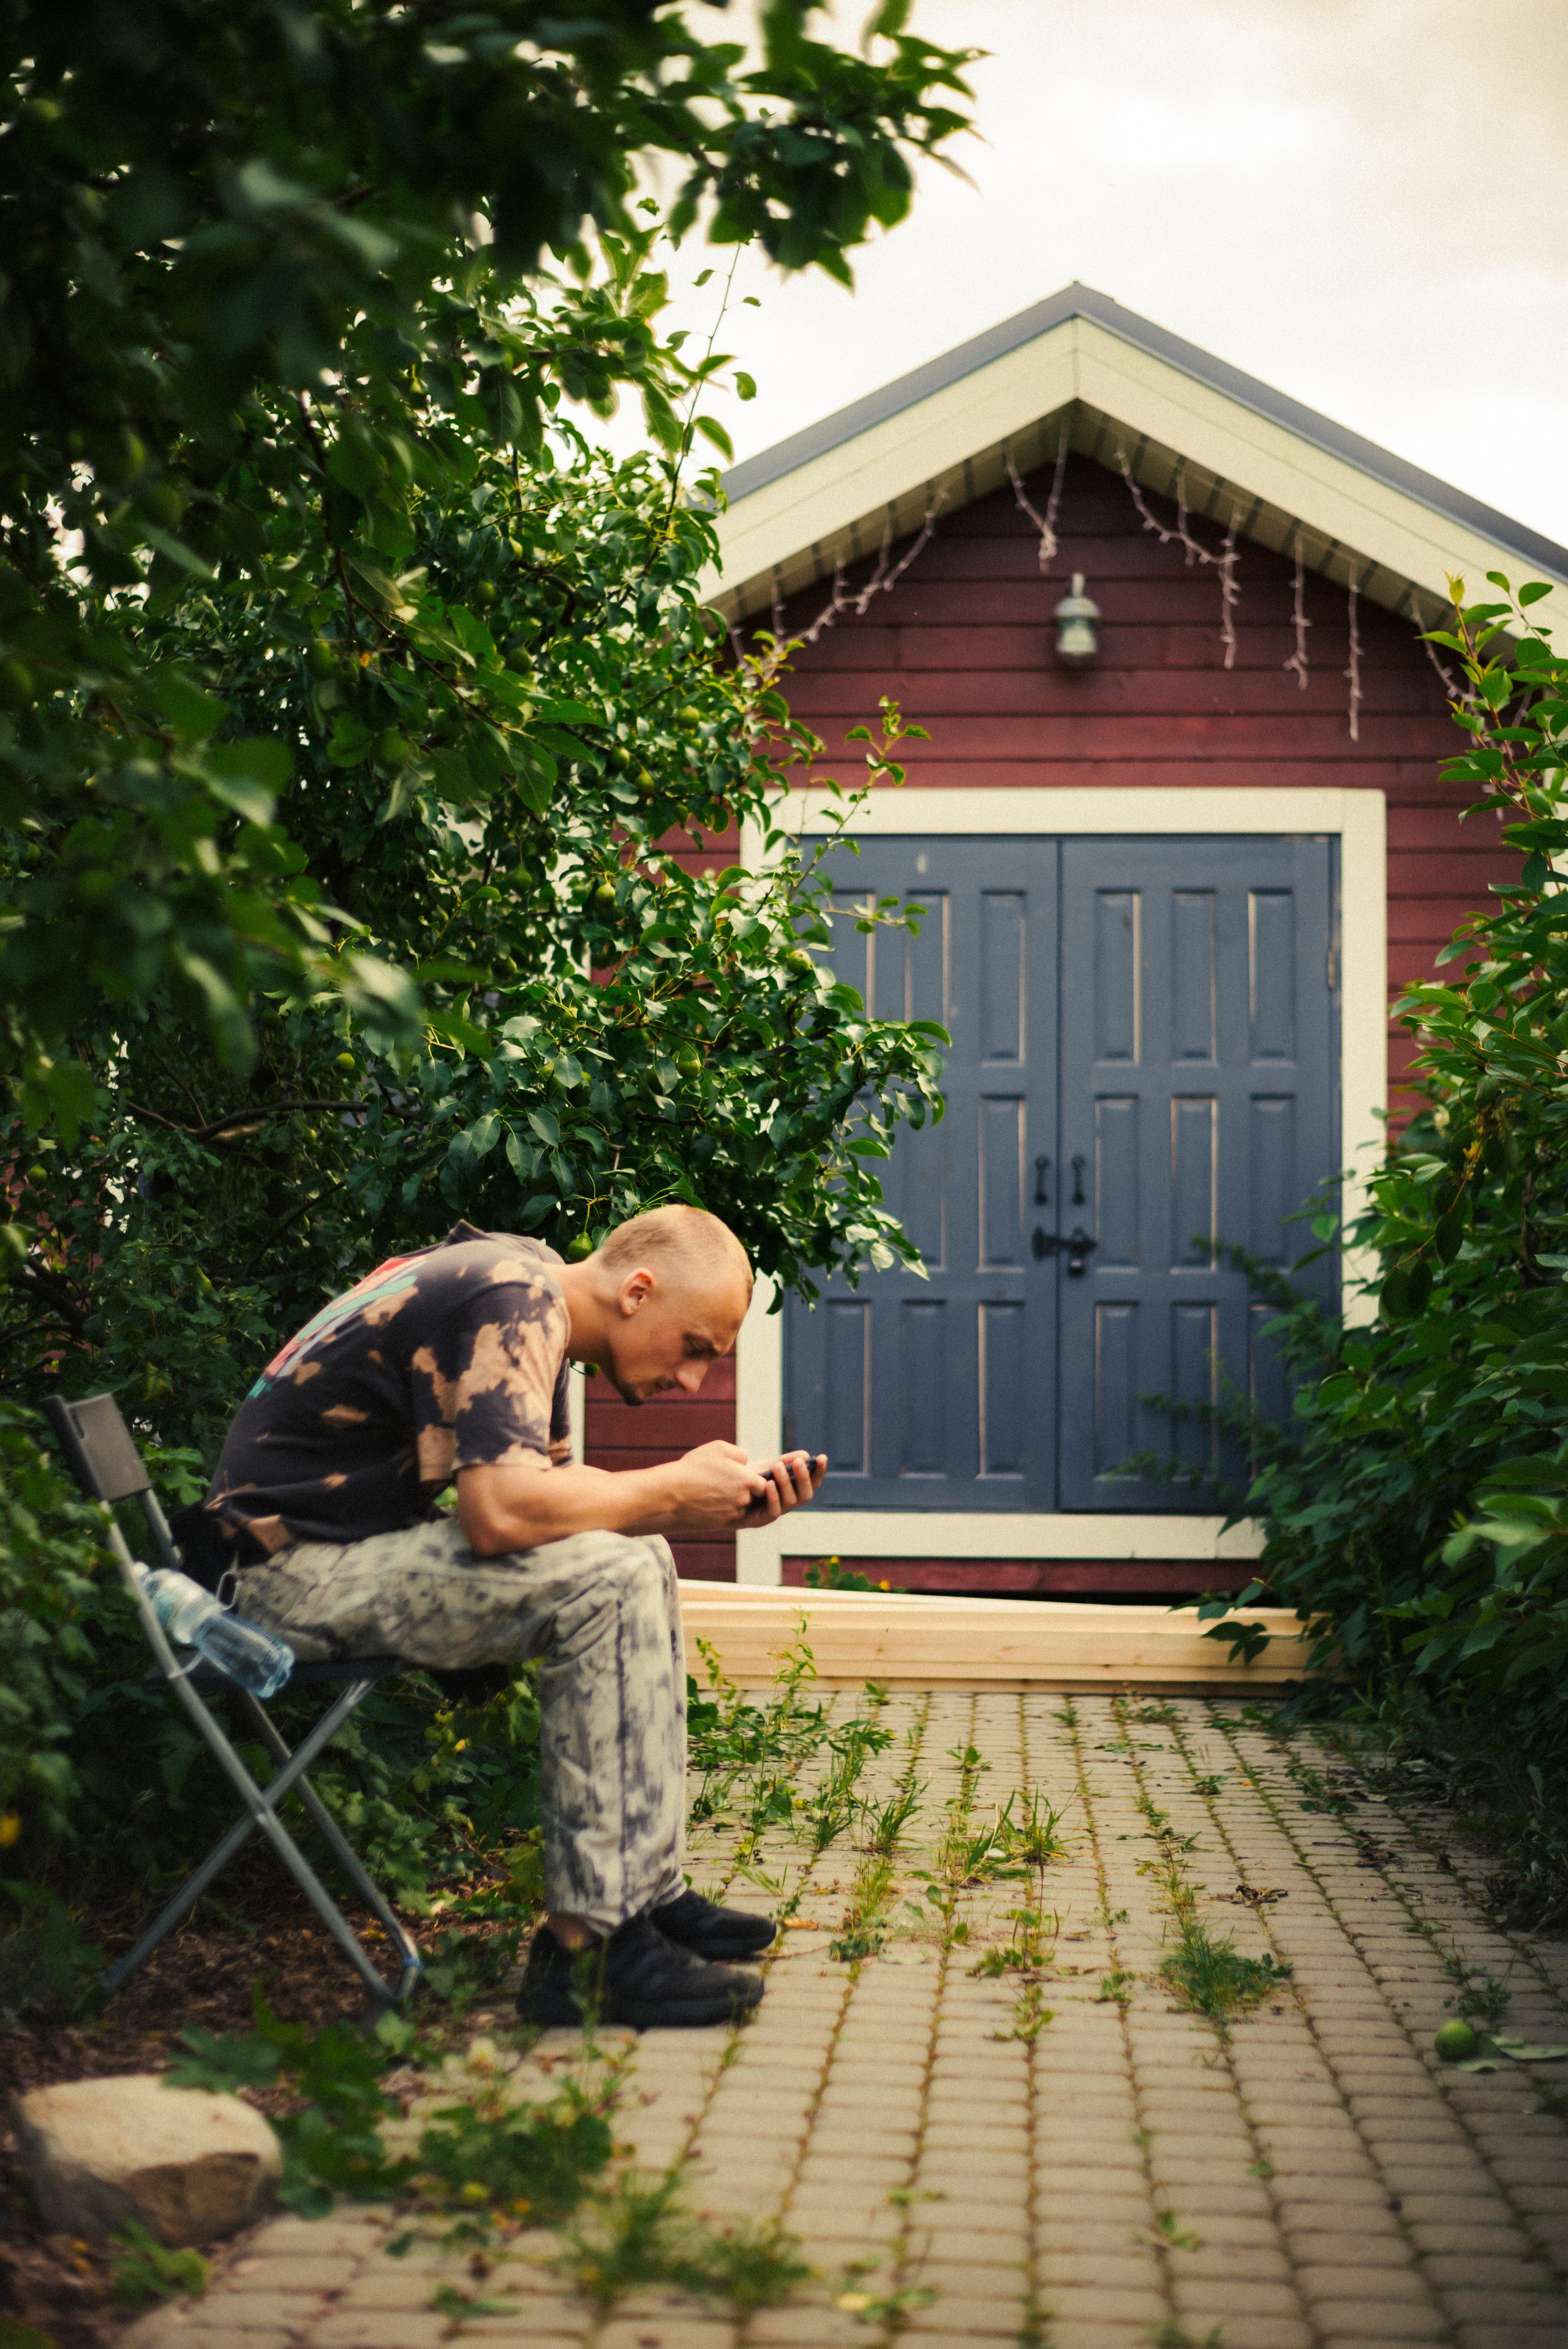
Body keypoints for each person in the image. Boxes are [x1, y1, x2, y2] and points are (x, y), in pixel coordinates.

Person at [193, 1205, 826, 2030]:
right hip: (277, 1578)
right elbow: (499, 1516)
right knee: (608, 1582)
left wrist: (707, 1506)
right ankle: (589, 1953)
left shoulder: (526, 1288)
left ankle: (643, 1894)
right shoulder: (512, 1295)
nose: (695, 1381)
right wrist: (672, 1490)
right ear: (638, 1292)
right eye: (696, 1348)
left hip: (318, 1555)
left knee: (636, 1558)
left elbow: (554, 1512)